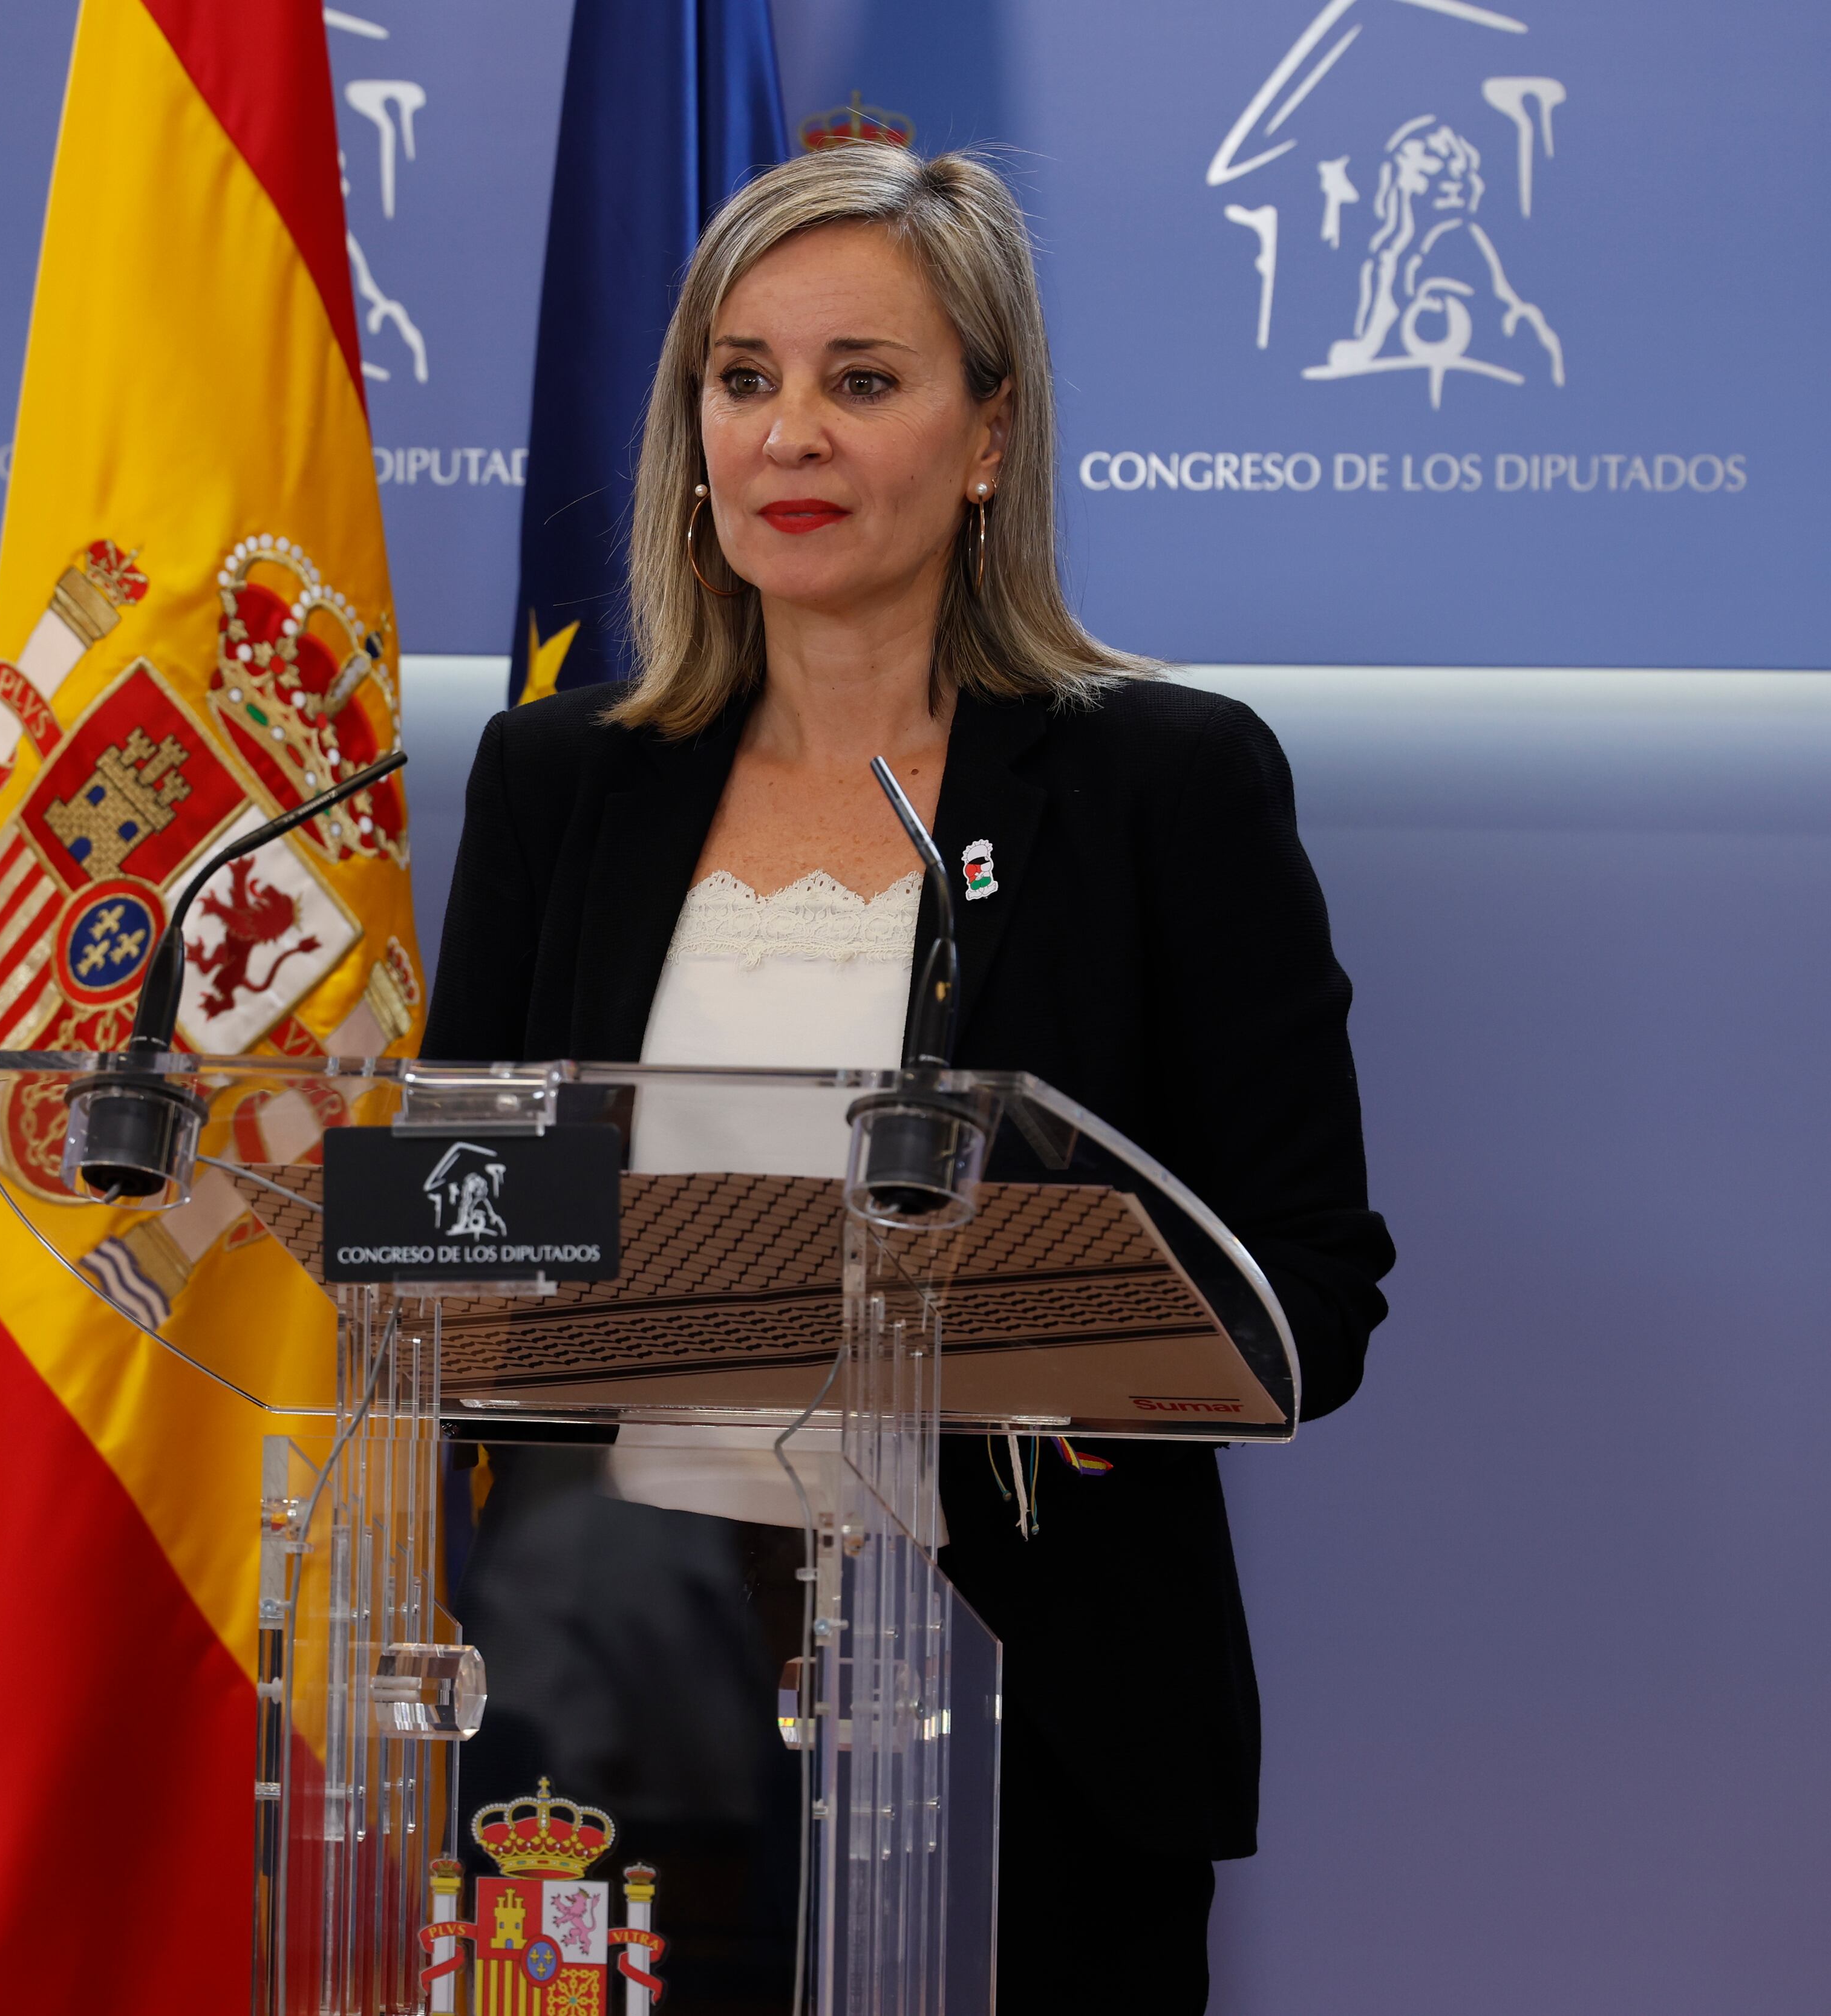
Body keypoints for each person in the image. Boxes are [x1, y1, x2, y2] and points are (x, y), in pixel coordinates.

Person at [422, 144, 1394, 2011]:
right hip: (609, 1693)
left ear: (988, 439)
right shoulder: (566, 785)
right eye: (744, 377)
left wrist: (1098, 1364)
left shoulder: (1163, 788)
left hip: (1020, 1693)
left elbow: (1310, 1283)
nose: (790, 433)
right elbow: (464, 1227)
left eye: (862, 380)